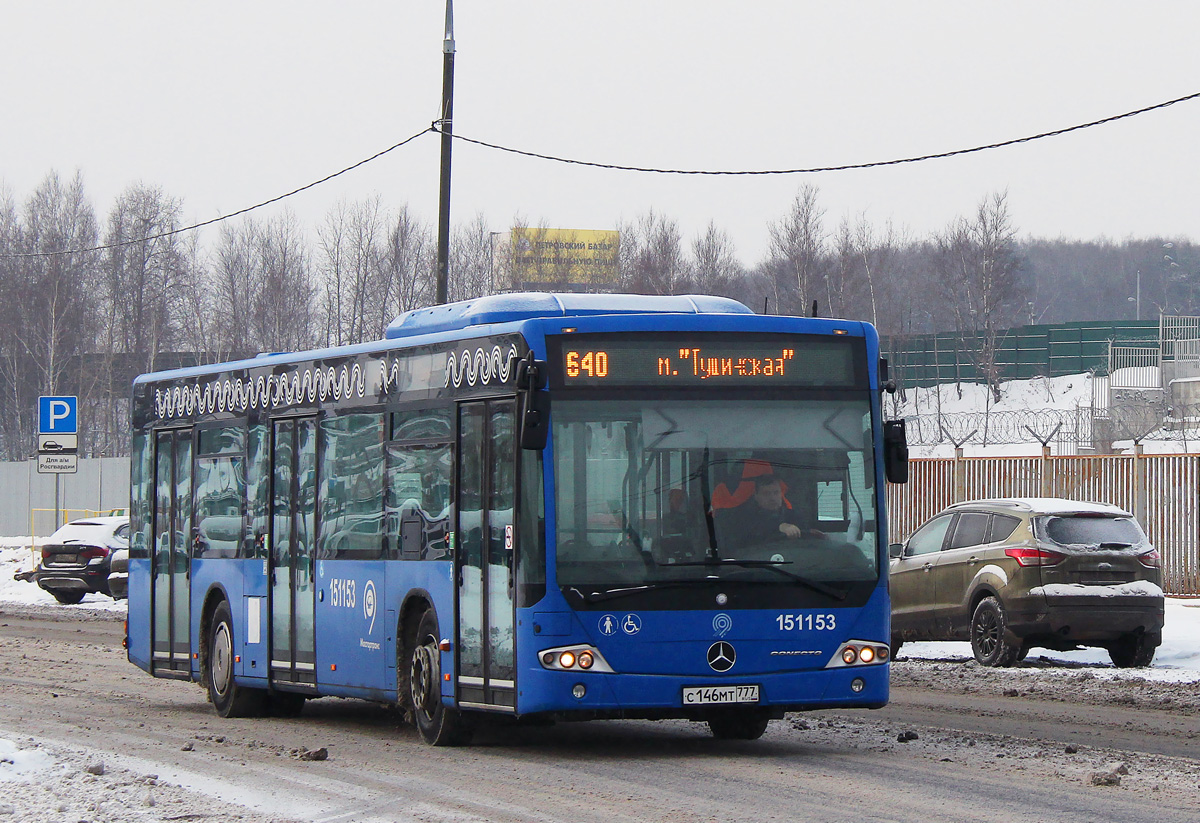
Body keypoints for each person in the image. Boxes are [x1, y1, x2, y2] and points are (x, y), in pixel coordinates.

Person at [722, 474, 824, 550]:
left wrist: (812, 535)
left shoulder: (793, 516)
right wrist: (779, 527)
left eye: (776, 493)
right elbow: (748, 534)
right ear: (756, 496)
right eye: (766, 493)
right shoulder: (743, 517)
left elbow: (805, 541)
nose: (772, 498)